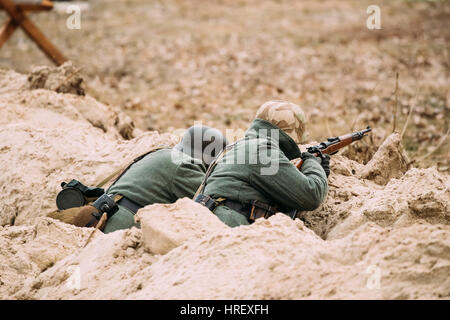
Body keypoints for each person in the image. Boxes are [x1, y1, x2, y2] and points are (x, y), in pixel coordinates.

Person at [50, 125, 227, 233]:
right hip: (120, 227)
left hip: (98, 213)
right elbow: (209, 209)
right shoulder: (186, 166)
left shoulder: (158, 152)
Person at [194, 100, 329, 227]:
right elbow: (311, 195)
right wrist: (313, 164)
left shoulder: (236, 147)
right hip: (230, 227)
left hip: (212, 222)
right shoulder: (263, 150)